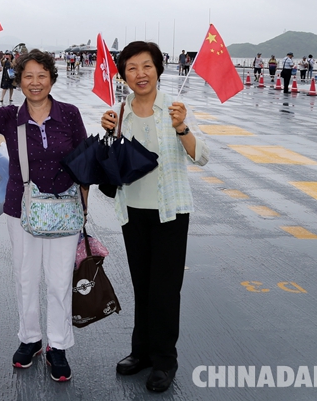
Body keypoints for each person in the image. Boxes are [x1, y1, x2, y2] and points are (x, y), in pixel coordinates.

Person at [0, 49, 87, 382]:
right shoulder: (11, 116)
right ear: (19, 80)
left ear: (52, 79)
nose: (35, 82)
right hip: (20, 207)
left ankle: (58, 345)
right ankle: (30, 338)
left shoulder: (69, 114)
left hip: (65, 211)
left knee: (58, 282)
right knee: (25, 276)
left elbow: (85, 163)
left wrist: (85, 214)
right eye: (28, 76)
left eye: (42, 75)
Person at [100, 41, 209, 394]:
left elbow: (202, 156)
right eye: (131, 68)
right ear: (124, 75)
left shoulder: (174, 110)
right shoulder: (120, 111)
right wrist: (106, 133)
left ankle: (164, 360)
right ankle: (141, 352)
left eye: (146, 66)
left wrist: (182, 127)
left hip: (170, 213)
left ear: (158, 69)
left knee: (165, 291)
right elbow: (111, 160)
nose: (140, 74)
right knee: (143, 286)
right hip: (133, 211)